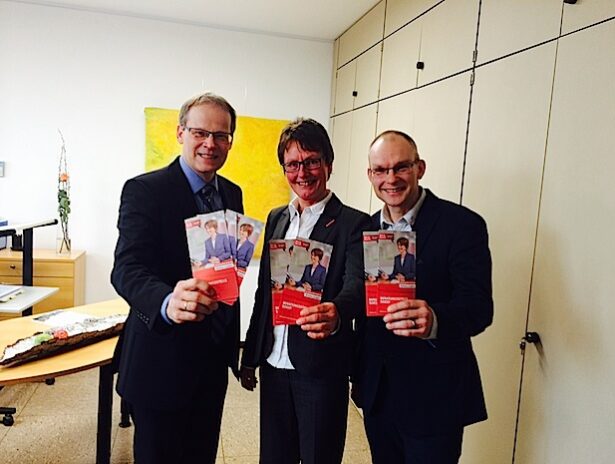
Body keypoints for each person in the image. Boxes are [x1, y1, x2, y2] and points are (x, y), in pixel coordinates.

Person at [111, 92, 243, 464]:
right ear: (180, 133)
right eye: (200, 132)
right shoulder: (144, 190)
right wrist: (168, 301)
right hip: (160, 361)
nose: (210, 144)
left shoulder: (232, 194)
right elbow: (126, 268)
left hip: (212, 361)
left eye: (221, 136)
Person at [354, 130, 493, 464]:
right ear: (370, 175)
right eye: (381, 170)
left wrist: (435, 319)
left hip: (435, 397)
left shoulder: (462, 225)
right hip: (379, 392)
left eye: (401, 167)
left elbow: (478, 308)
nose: (391, 179)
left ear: (420, 168)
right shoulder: (365, 230)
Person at [240, 118, 372, 464]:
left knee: (319, 457)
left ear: (328, 163)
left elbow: (358, 286)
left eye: (312, 161)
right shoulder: (277, 218)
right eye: (293, 164)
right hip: (274, 362)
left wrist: (338, 312)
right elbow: (263, 294)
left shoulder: (354, 223)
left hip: (320, 366)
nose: (303, 172)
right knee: (274, 457)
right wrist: (251, 355)